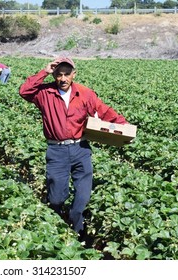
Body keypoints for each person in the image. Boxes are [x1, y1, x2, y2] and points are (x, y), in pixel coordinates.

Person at [19, 57, 129, 236]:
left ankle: (77, 232)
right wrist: (44, 72)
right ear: (54, 75)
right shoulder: (45, 93)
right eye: (59, 74)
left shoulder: (85, 94)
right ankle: (56, 226)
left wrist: (125, 128)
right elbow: (24, 91)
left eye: (67, 74)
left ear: (73, 74)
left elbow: (104, 111)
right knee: (56, 198)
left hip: (80, 149)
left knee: (82, 197)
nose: (63, 78)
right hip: (56, 151)